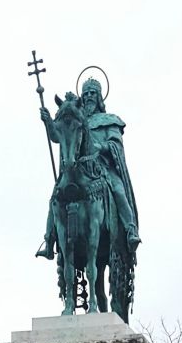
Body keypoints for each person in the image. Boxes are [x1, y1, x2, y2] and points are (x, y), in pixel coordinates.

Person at [37, 77, 140, 260]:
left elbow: (116, 144)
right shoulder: (76, 117)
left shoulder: (109, 120)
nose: (89, 96)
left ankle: (130, 229)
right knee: (56, 195)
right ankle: (50, 240)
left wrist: (103, 147)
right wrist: (48, 123)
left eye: (93, 93)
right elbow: (59, 137)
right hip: (78, 167)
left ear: (100, 97)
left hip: (103, 168)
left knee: (117, 189)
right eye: (85, 94)